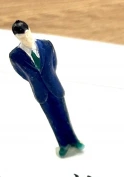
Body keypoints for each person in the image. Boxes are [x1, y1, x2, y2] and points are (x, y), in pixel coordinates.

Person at [9, 20, 84, 158]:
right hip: (40, 91)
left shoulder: (47, 45)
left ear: (29, 30)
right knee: (52, 119)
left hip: (54, 86)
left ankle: (73, 140)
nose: (26, 38)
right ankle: (63, 144)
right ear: (16, 37)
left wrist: (49, 77)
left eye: (26, 34)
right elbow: (22, 73)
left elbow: (53, 64)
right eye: (22, 37)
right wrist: (35, 81)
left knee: (64, 115)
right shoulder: (15, 55)